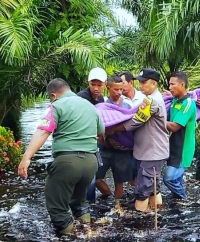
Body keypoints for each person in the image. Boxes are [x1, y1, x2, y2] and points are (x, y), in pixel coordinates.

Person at [18, 78, 104, 234]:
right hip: (91, 162)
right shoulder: (91, 107)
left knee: (57, 208)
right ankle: (88, 233)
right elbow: (101, 133)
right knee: (79, 202)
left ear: (53, 95)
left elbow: (44, 131)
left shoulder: (56, 106)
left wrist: (26, 157)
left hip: (67, 162)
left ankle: (70, 236)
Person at [107, 68, 169, 212]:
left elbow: (136, 120)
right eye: (139, 82)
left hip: (152, 152)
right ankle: (157, 214)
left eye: (143, 82)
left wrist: (115, 129)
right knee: (154, 186)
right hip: (154, 151)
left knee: (142, 189)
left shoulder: (152, 101)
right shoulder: (153, 98)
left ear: (153, 84)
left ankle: (139, 224)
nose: (140, 86)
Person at [96, 76, 133, 200]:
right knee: (96, 178)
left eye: (121, 89)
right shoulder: (102, 105)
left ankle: (117, 206)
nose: (119, 92)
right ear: (108, 88)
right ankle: (109, 196)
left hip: (122, 149)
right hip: (104, 147)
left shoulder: (128, 105)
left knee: (119, 181)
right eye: (116, 89)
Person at [163, 71, 196, 199]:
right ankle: (178, 204)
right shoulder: (175, 101)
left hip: (183, 149)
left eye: (172, 84)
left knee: (169, 179)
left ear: (182, 85)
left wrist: (156, 120)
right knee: (176, 180)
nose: (169, 87)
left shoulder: (188, 104)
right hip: (173, 147)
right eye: (169, 84)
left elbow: (175, 127)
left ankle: (184, 199)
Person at [77, 67, 107, 202]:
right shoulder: (81, 98)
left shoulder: (101, 100)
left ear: (105, 84)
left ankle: (90, 206)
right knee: (87, 178)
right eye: (92, 84)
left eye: (99, 85)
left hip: (94, 143)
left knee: (92, 177)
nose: (96, 88)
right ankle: (85, 206)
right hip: (81, 143)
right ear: (88, 83)